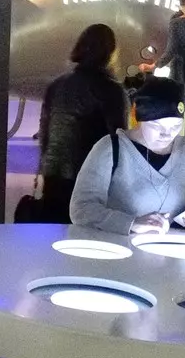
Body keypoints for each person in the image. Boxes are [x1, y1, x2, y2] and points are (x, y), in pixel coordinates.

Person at [70, 77, 185, 237]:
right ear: (139, 118)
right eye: (157, 126)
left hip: (175, 256)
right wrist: (131, 223)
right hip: (123, 254)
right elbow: (82, 207)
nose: (167, 134)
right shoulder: (111, 149)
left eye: (175, 126)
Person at [34, 24, 128, 225]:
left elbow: (44, 133)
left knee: (55, 231)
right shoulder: (110, 89)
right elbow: (119, 139)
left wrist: (45, 165)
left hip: (53, 173)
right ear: (110, 52)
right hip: (89, 176)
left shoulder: (57, 85)